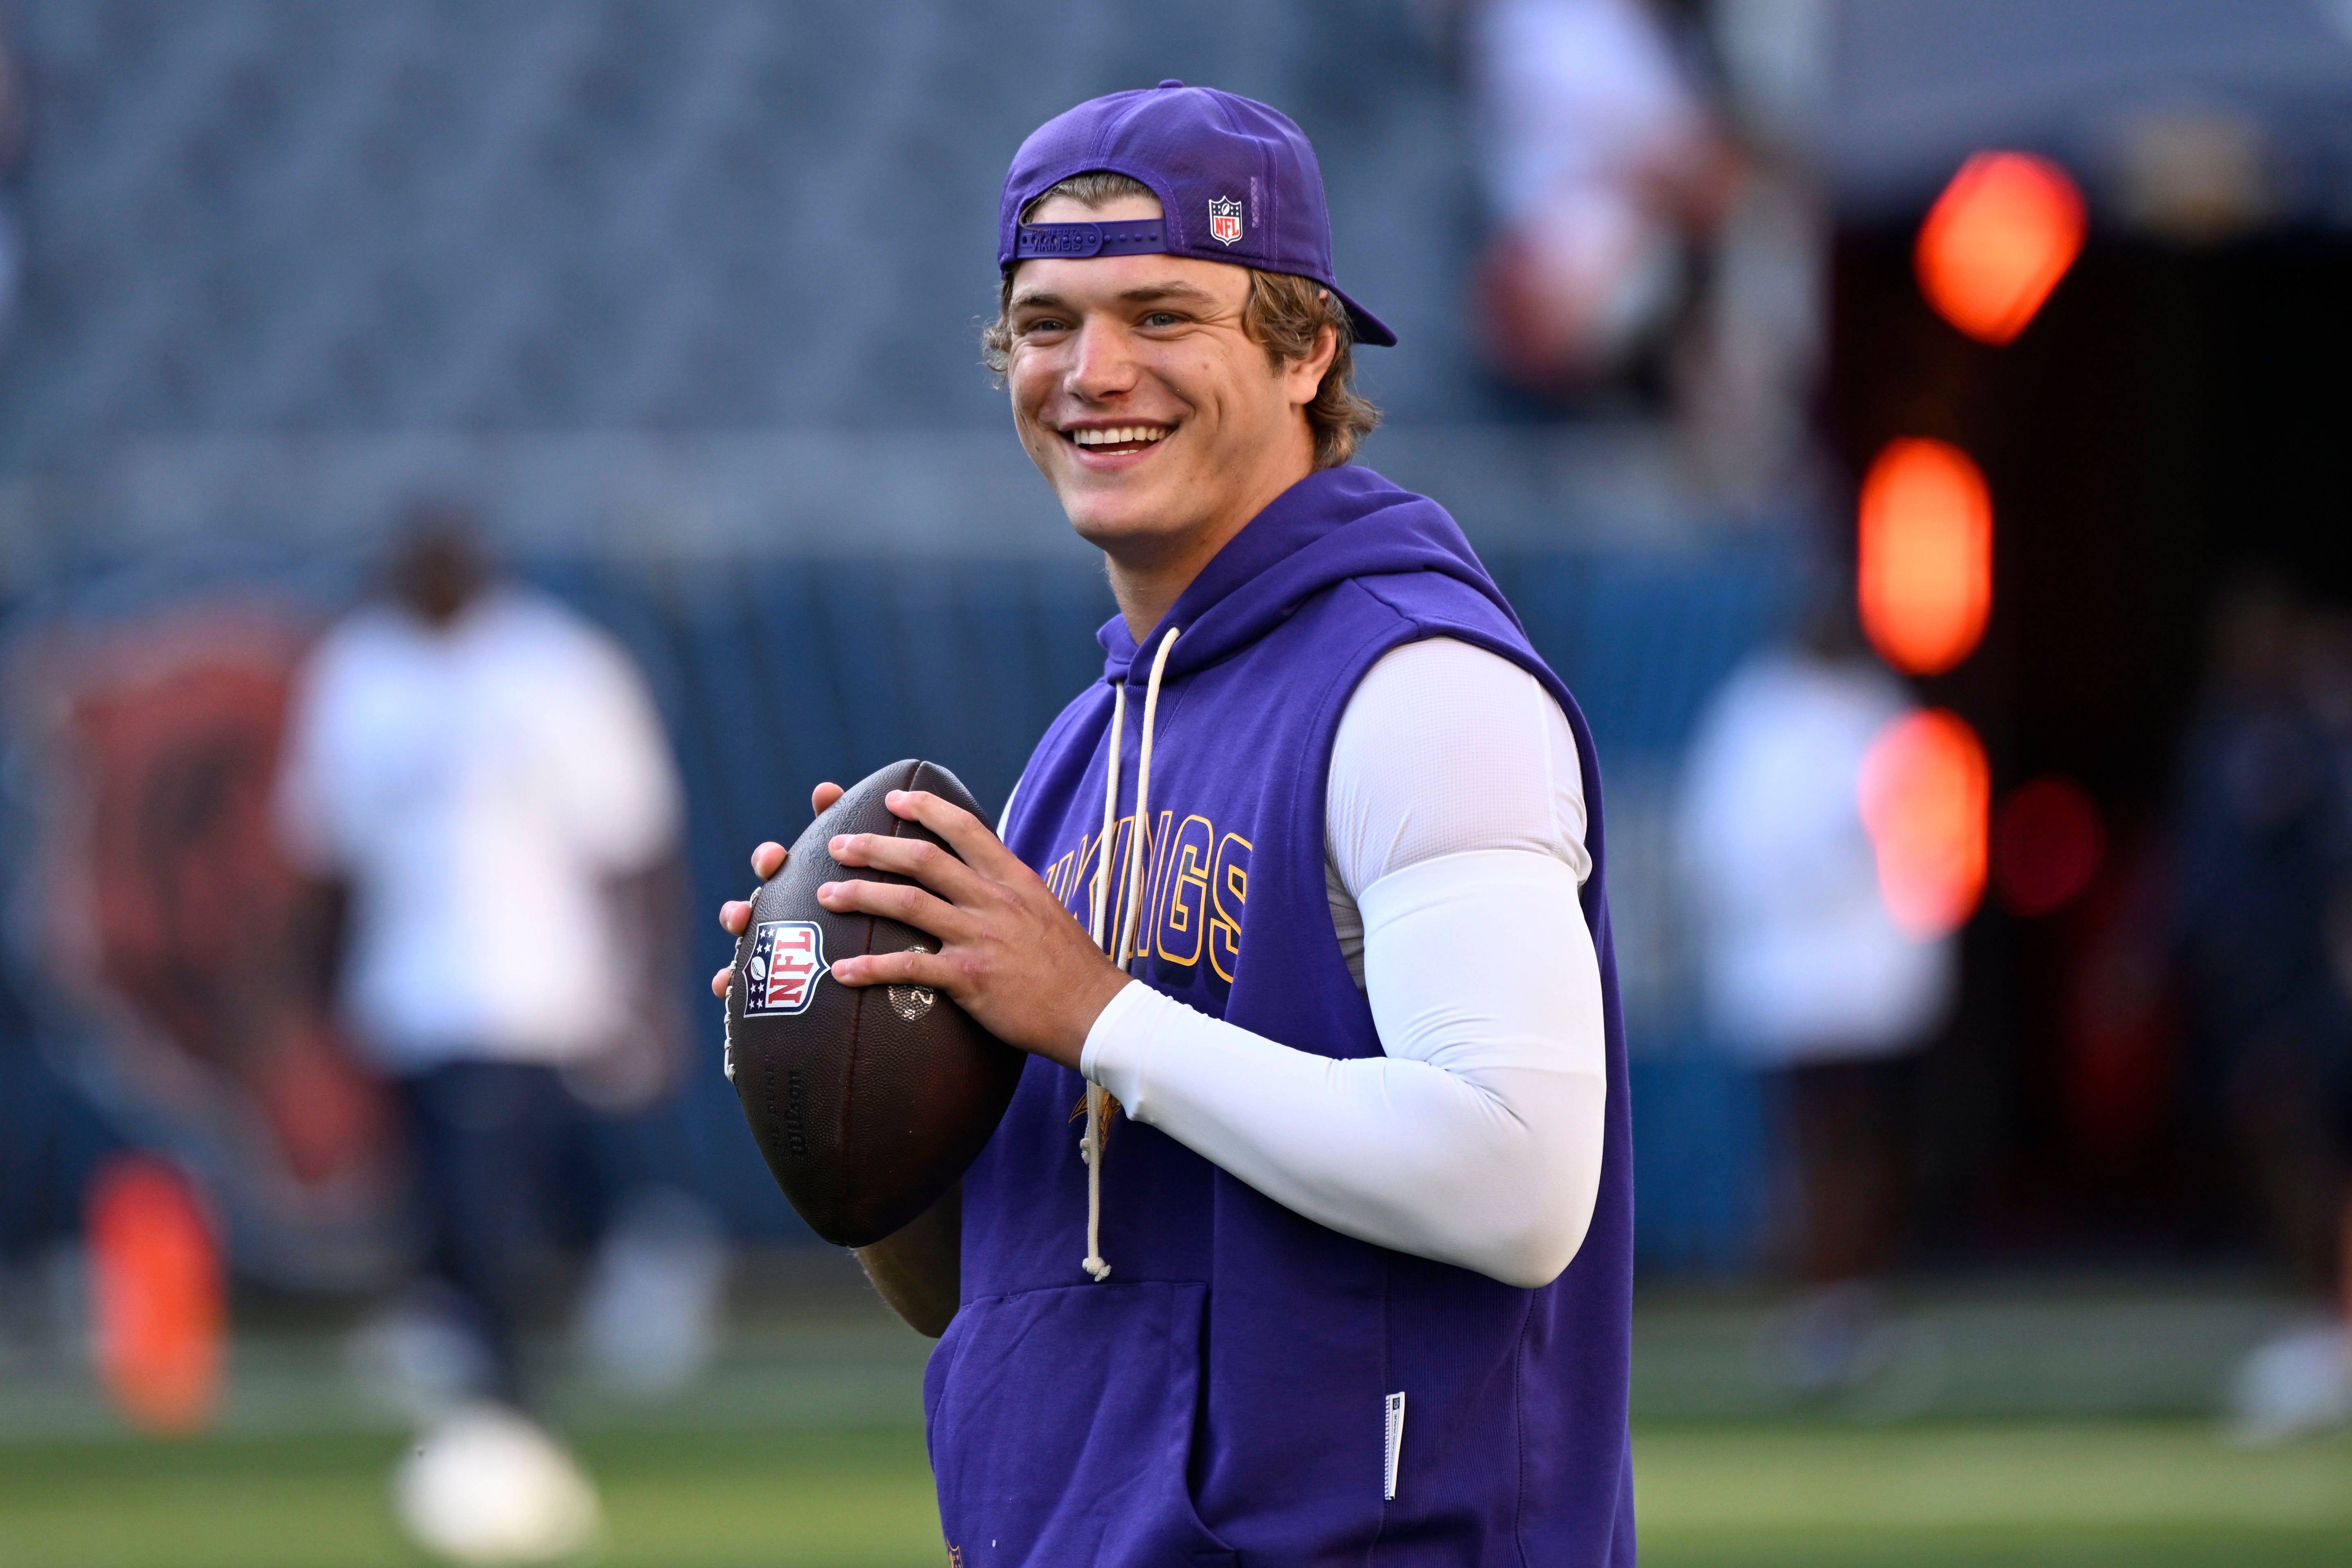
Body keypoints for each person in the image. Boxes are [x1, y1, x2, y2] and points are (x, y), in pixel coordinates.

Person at [715, 84, 1630, 1565]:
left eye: (1161, 315)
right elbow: (991, 1292)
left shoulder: (1421, 686)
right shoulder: (1074, 759)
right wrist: (845, 1077)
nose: (1093, 373)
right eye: (1046, 323)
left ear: (1306, 349)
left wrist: (1097, 1013)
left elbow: (1519, 1181)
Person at [274, 511, 695, 1562]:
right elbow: (328, 851)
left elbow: (632, 839)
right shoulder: (357, 674)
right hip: (409, 996)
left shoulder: (558, 667)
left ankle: (511, 1409)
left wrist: (646, 985)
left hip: (543, 991)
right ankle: (511, 1385)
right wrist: (309, 997)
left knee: (495, 1211)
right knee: (461, 1212)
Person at [1676, 601, 1955, 1392]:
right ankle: (1814, 1300)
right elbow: (1728, 845)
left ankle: (1856, 1298)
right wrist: (1825, 857)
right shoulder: (1756, 716)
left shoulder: (1881, 706)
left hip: (1878, 981)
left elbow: (1928, 836)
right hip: (1790, 980)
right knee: (1807, 1148)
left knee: (1872, 1144)